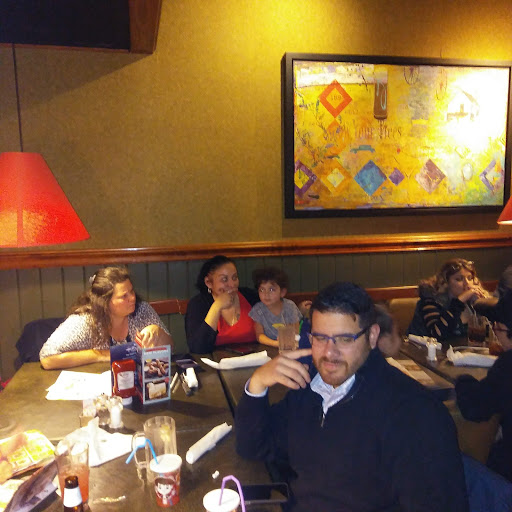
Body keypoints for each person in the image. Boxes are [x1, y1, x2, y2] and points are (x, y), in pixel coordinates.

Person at [235, 282, 468, 512]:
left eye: (345, 339)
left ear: (372, 336)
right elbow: (253, 447)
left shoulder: (415, 414)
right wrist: (257, 384)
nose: (329, 353)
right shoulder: (308, 388)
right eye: (320, 337)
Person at [39, 266, 173, 370]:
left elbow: (171, 348)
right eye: (124, 296)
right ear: (105, 302)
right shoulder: (85, 321)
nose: (132, 298)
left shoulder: (142, 310)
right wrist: (99, 355)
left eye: (131, 291)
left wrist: (158, 332)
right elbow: (47, 358)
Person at [456, 290, 512, 482]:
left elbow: (475, 408)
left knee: (461, 465)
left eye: (498, 328)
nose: (495, 333)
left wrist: (463, 380)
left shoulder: (507, 365)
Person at [185, 255, 258, 353]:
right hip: (216, 361)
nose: (232, 284)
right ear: (208, 282)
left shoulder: (250, 296)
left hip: (255, 357)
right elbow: (197, 348)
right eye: (224, 279)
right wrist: (217, 306)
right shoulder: (198, 304)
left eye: (234, 278)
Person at [408, 258, 489, 341]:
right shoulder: (431, 301)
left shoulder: (472, 301)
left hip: (465, 348)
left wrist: (483, 305)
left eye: (470, 278)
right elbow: (438, 335)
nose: (467, 283)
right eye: (459, 279)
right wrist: (459, 301)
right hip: (424, 348)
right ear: (446, 283)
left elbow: (490, 334)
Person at [249, 267, 302, 347]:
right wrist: (275, 343)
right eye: (262, 290)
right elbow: (259, 335)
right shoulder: (258, 310)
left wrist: (286, 342)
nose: (266, 294)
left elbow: (296, 331)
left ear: (282, 292)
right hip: (267, 347)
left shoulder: (290, 307)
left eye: (271, 290)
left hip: (288, 346)